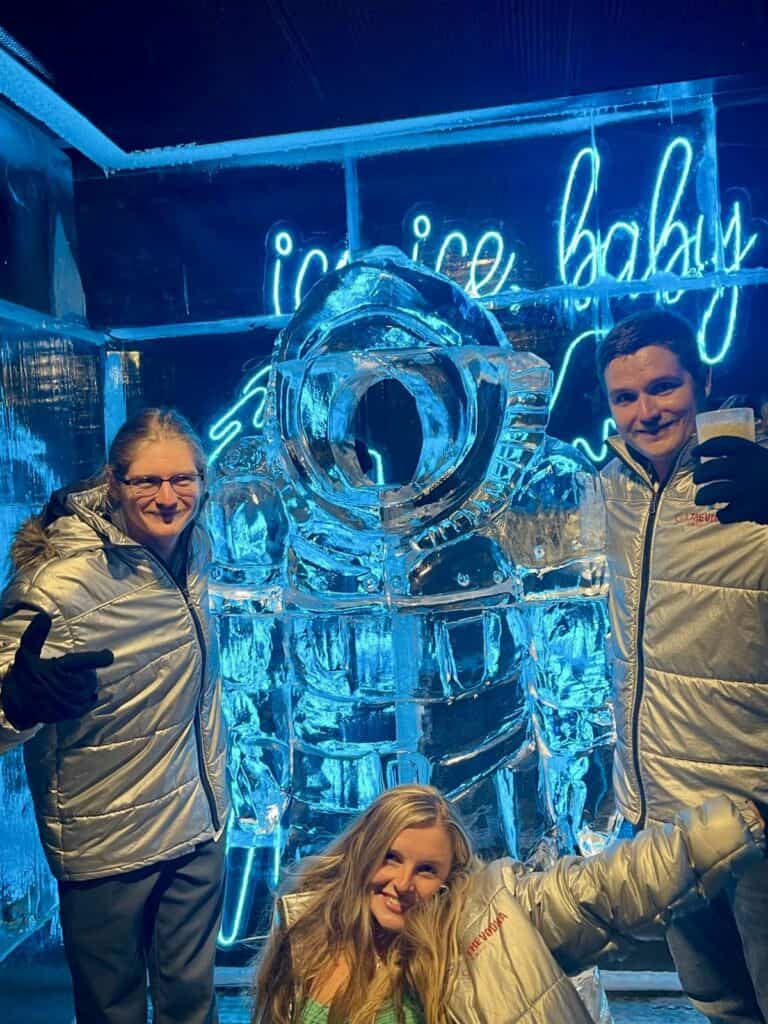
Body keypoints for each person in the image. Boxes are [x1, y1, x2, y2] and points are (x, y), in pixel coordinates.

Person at [0, 408, 230, 1024]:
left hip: (195, 826)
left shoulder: (197, 551)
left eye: (183, 479)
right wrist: (15, 702)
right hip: (107, 847)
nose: (167, 496)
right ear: (113, 484)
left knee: (192, 1007)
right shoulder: (61, 584)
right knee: (112, 1014)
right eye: (147, 481)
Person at [252, 783, 766, 1024]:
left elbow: (603, 888)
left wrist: (715, 836)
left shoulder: (481, 925)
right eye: (391, 858)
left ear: (447, 879)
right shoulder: (304, 932)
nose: (403, 883)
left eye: (426, 869)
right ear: (363, 851)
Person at [596, 310, 768, 1023]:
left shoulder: (754, 473)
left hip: (757, 810)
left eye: (663, 387)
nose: (646, 411)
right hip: (664, 816)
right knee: (718, 1002)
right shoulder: (609, 490)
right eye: (625, 397)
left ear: (703, 381)